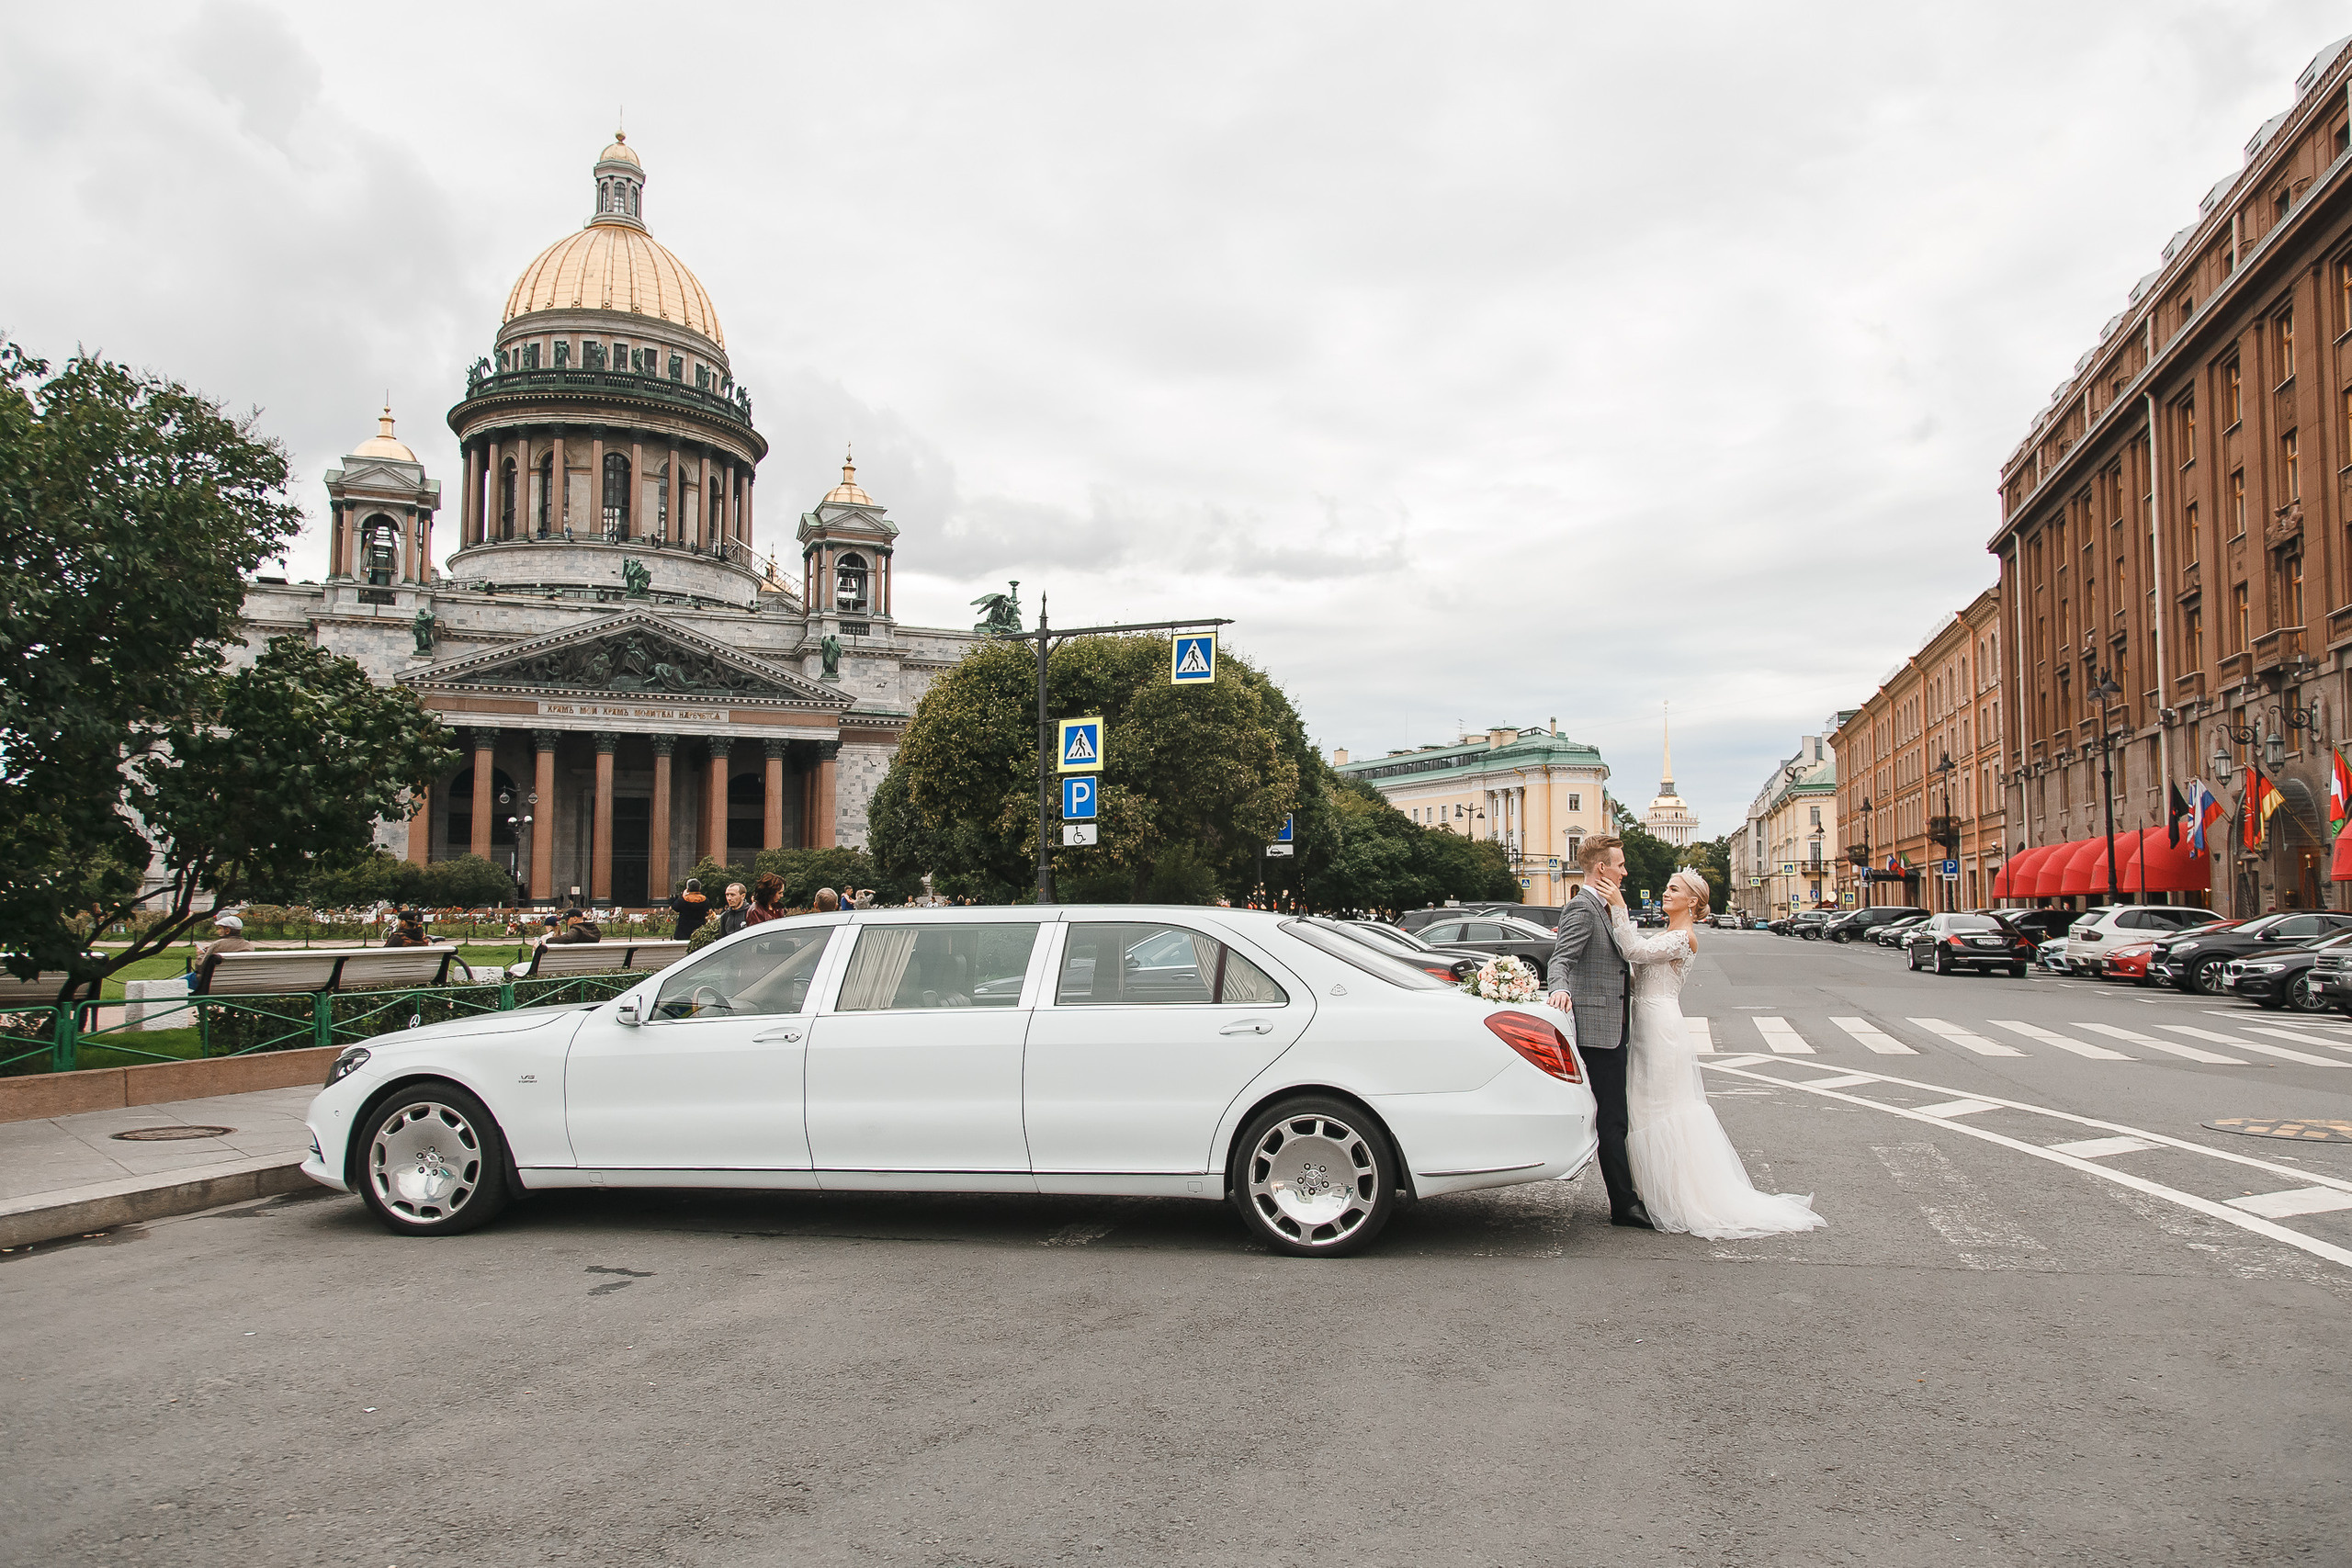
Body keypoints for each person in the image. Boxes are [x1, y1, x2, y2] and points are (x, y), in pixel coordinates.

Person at [1604, 868, 1826, 1240]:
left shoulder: (1682, 938)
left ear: (1692, 901)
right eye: (1667, 886)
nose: (1666, 892)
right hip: (1645, 1026)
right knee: (1643, 1106)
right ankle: (1653, 1190)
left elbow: (1633, 951)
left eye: (1674, 889)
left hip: (1661, 1029)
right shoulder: (1668, 933)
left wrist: (1619, 907)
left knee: (1663, 1108)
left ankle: (1677, 1196)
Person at [1546, 836, 1651, 1229]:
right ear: (1602, 868)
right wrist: (1559, 988)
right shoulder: (1582, 907)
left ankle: (1626, 1200)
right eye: (1620, 865)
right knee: (1613, 1118)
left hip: (1612, 1025)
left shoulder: (1603, 906)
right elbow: (1563, 958)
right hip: (1597, 1030)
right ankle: (1624, 1205)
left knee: (1615, 1115)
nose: (1625, 872)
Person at [670, 878, 711, 942]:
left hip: (683, 933)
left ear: (688, 889)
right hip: (699, 931)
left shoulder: (682, 901)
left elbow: (674, 907)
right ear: (699, 888)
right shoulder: (705, 900)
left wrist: (683, 896)